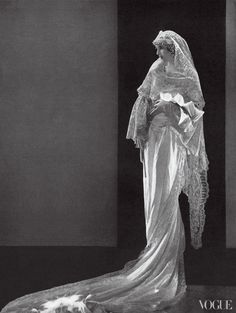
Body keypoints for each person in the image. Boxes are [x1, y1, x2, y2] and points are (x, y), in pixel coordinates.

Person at [1, 30, 209, 313]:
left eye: (161, 50)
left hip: (172, 142)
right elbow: (142, 101)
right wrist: (146, 115)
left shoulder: (187, 75)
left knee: (166, 200)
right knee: (154, 201)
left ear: (172, 50)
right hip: (154, 143)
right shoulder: (156, 68)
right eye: (157, 51)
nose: (158, 55)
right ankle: (154, 261)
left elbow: (197, 109)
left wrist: (174, 104)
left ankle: (163, 269)